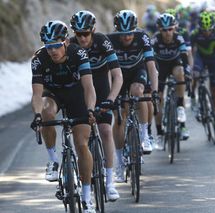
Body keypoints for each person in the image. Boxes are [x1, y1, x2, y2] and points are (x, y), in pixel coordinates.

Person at [30, 20, 96, 212]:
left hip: (77, 95)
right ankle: (53, 159)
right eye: (48, 46)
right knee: (46, 111)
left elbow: (89, 87)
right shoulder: (39, 59)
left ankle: (86, 198)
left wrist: (90, 109)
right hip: (54, 95)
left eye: (56, 45)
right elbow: (36, 94)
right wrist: (37, 116)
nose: (52, 51)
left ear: (65, 42)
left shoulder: (78, 54)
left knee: (81, 144)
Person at [70, 10, 123, 201]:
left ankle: (110, 183)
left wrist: (111, 98)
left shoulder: (102, 42)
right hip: (81, 92)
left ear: (93, 30)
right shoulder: (71, 45)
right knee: (80, 138)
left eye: (86, 33)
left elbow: (117, 76)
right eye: (78, 34)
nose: (82, 38)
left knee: (106, 131)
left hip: (101, 89)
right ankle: (84, 175)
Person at [107, 10, 158, 182]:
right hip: (118, 76)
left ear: (134, 30)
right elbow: (104, 70)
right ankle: (120, 163)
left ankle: (144, 136)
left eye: (129, 33)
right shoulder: (110, 41)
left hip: (138, 71)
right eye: (123, 34)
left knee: (138, 93)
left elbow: (151, 66)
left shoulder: (142, 37)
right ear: (117, 31)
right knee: (119, 116)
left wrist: (155, 89)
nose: (127, 37)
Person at [151, 13, 191, 148]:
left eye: (170, 29)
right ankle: (160, 133)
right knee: (158, 100)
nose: (167, 33)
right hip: (160, 67)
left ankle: (180, 108)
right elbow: (149, 60)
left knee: (180, 73)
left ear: (175, 28)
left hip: (174, 64)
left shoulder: (179, 38)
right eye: (164, 30)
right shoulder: (155, 40)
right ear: (159, 30)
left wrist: (188, 72)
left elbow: (185, 57)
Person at [190, 11, 215, 133]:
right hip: (200, 58)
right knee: (195, 74)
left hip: (214, 58)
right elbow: (189, 52)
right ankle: (193, 96)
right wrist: (191, 67)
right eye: (203, 30)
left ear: (213, 27)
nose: (206, 32)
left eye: (209, 30)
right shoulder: (194, 34)